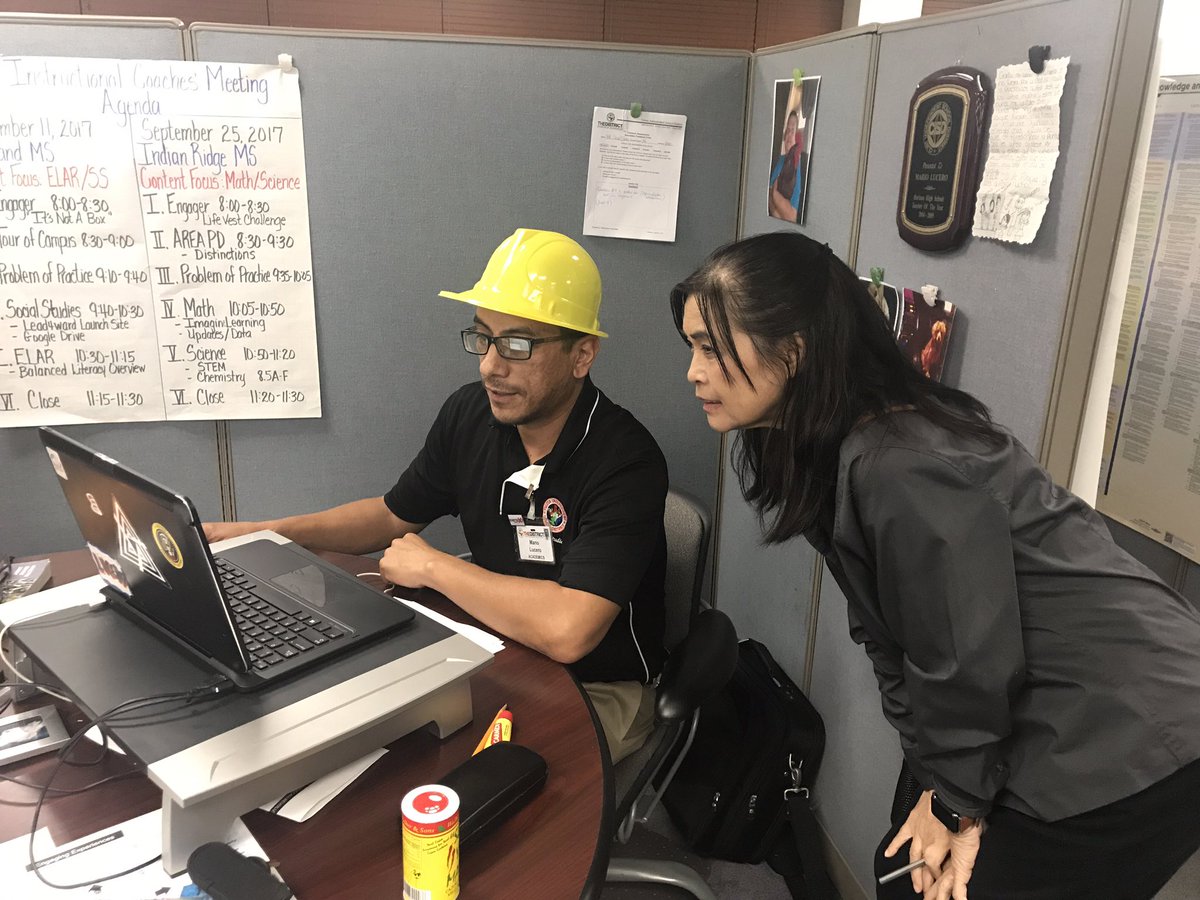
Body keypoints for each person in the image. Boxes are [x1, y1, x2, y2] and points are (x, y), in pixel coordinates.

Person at [670, 230, 1200, 899]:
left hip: (1126, 723)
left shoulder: (899, 462)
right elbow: (889, 634)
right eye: (693, 346)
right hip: (1026, 702)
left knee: (923, 884)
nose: (693, 371)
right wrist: (935, 780)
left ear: (795, 351)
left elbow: (963, 656)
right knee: (905, 868)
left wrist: (955, 803)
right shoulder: (821, 445)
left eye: (712, 348)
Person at [207, 228, 668, 764]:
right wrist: (260, 534)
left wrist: (435, 568)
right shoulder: (470, 415)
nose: (490, 366)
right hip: (495, 650)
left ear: (582, 355)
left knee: (483, 783)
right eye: (483, 338)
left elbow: (569, 632)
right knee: (368, 743)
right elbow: (388, 517)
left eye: (519, 345)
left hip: (600, 686)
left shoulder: (626, 460)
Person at [768, 109, 804, 223]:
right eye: (788, 130)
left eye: (792, 130)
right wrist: (776, 213)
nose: (788, 134)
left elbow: (791, 217)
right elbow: (767, 193)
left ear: (797, 136)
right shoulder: (781, 160)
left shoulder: (798, 167)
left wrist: (775, 195)